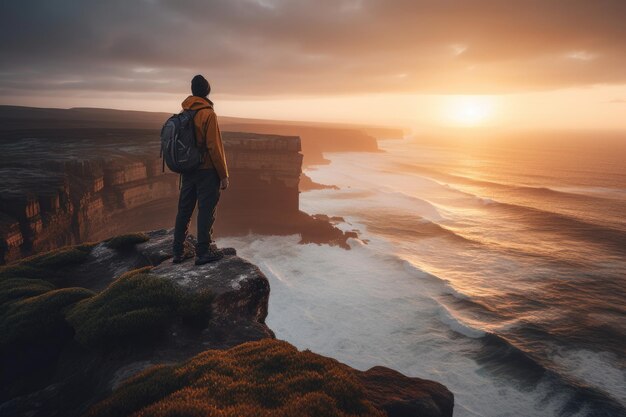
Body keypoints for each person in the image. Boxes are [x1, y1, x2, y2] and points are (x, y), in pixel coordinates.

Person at [172, 75, 230, 265]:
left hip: (188, 169)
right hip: (206, 171)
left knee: (184, 210)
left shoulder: (184, 112)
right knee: (206, 210)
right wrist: (223, 175)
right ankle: (203, 252)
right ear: (207, 91)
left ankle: (178, 251)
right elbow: (214, 147)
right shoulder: (208, 114)